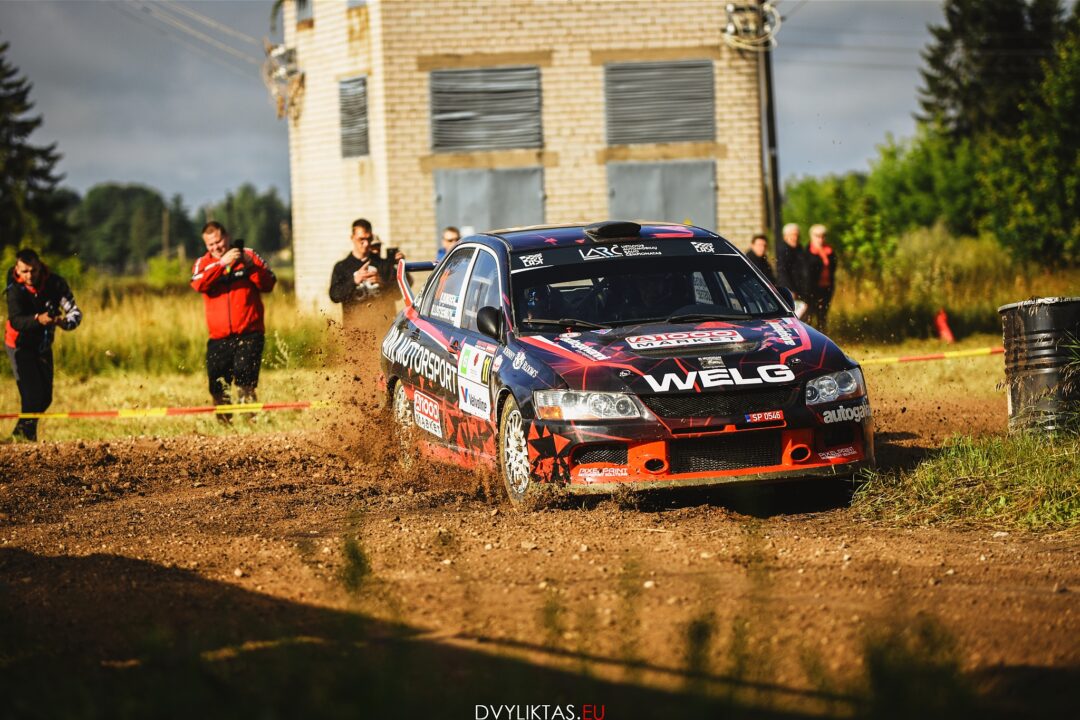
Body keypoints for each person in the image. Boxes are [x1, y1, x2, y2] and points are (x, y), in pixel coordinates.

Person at [190, 221, 276, 418]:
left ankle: (250, 422)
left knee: (245, 382)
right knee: (218, 386)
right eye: (211, 244)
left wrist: (250, 266)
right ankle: (224, 426)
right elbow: (197, 284)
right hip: (218, 338)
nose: (216, 247)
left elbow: (269, 283)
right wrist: (221, 265)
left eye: (219, 242)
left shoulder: (249, 255)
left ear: (227, 237)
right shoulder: (203, 263)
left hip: (249, 334)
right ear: (206, 245)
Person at [4, 248, 82, 441]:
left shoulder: (55, 284)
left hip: (43, 345)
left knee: (45, 398)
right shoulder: (15, 290)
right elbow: (16, 320)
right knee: (32, 396)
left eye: (33, 270)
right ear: (17, 269)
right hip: (19, 345)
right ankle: (26, 439)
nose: (29, 275)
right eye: (25, 271)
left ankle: (18, 436)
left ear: (40, 267)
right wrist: (39, 319)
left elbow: (75, 312)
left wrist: (64, 322)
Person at [329, 218, 404, 328]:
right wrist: (354, 281)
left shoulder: (383, 264)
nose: (366, 243)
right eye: (361, 239)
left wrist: (383, 283)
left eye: (369, 239)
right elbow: (334, 296)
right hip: (355, 331)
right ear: (352, 238)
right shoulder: (342, 267)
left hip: (383, 328)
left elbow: (398, 295)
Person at [805, 223, 838, 331]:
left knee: (822, 315)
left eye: (823, 236)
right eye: (817, 236)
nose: (820, 239)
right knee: (809, 316)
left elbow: (833, 267)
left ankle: (822, 335)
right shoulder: (807, 252)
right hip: (812, 290)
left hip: (826, 287)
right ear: (812, 236)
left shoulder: (830, 251)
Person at [775, 222, 810, 317]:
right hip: (790, 289)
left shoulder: (799, 248)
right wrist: (789, 289)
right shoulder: (783, 249)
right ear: (785, 236)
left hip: (801, 288)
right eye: (793, 235)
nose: (795, 238)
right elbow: (782, 271)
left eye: (797, 235)